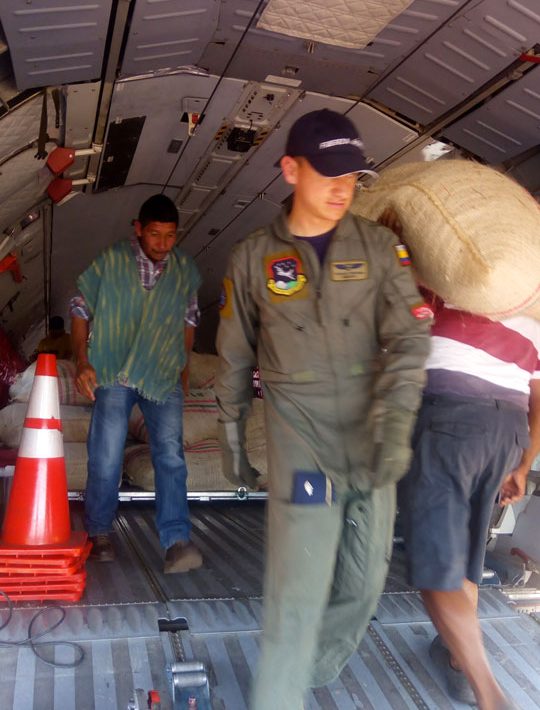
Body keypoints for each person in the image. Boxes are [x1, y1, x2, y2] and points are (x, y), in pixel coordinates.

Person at [214, 109, 432, 709]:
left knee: (364, 582)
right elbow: (233, 356)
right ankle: (279, 690)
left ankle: (304, 670)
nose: (342, 188)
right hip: (302, 440)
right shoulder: (253, 258)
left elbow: (410, 337)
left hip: (370, 433)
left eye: (352, 176)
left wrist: (396, 425)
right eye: (329, 173)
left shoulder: (379, 248)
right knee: (301, 582)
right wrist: (232, 439)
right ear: (291, 170)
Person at [380, 210, 540, 710]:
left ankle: (489, 693)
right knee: (466, 551)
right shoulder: (532, 315)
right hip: (507, 435)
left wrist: (396, 239)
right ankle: (454, 657)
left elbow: (395, 288)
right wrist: (522, 465)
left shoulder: (444, 291)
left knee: (436, 564)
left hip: (450, 424)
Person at [70, 194, 202, 574]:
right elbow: (79, 309)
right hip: (115, 371)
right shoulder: (111, 261)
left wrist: (183, 367)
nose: (163, 243)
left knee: (171, 456)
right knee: (107, 454)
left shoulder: (184, 270)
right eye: (155, 234)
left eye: (170, 235)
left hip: (162, 373)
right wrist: (83, 361)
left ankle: (176, 541)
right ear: (139, 229)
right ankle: (99, 531)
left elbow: (188, 322)